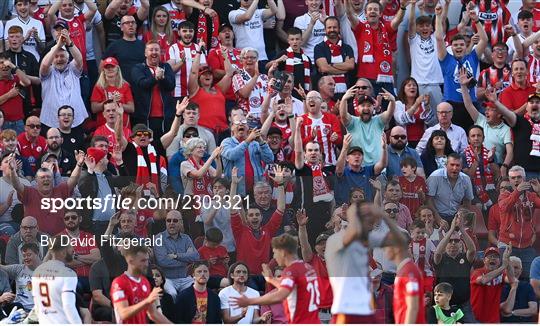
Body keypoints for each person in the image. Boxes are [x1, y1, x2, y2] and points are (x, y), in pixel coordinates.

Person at [325, 201, 407, 323]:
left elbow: (402, 240)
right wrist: (353, 214)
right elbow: (352, 235)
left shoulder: (365, 238)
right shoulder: (336, 239)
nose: (372, 220)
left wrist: (383, 215)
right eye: (367, 216)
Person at [231, 233, 321, 324]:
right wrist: (270, 279)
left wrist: (249, 301)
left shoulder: (291, 270)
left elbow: (281, 295)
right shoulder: (306, 267)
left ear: (283, 252)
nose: (274, 257)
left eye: (275, 252)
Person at [435, 3, 488, 131]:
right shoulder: (446, 59)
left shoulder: (473, 57)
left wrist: (476, 20)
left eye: (461, 45)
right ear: (451, 48)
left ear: (466, 46)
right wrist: (438, 16)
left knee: (473, 136)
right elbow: (438, 38)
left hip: (471, 104)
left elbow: (484, 39)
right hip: (451, 104)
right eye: (455, 45)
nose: (458, 47)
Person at [110, 245, 172, 324]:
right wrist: (147, 301)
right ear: (130, 261)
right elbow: (123, 313)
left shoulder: (145, 282)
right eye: (142, 261)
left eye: (147, 260)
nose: (146, 264)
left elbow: (153, 314)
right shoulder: (119, 282)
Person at [39, 29, 87, 130]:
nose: (59, 59)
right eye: (56, 57)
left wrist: (69, 42)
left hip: (75, 121)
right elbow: (44, 65)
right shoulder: (48, 72)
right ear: (52, 59)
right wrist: (58, 46)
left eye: (62, 56)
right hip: (51, 121)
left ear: (68, 58)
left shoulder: (73, 69)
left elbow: (79, 59)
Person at [497, 165, 540, 276]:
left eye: (519, 177)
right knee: (506, 277)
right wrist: (517, 192)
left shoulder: (532, 196)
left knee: (530, 277)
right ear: (510, 180)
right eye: (513, 178)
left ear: (524, 179)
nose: (516, 180)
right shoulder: (504, 195)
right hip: (507, 244)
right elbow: (503, 207)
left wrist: (539, 191)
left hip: (526, 245)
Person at [339, 85, 396, 166]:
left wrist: (392, 101)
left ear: (373, 108)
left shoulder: (378, 121)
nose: (366, 108)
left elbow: (389, 113)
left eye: (369, 105)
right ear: (358, 108)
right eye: (363, 105)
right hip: (358, 169)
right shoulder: (352, 122)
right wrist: (344, 99)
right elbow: (343, 116)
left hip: (378, 170)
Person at [489, 91, 540, 179]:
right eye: (531, 102)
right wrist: (496, 102)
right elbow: (507, 113)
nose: (534, 104)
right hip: (524, 173)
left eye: (538, 102)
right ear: (526, 107)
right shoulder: (520, 122)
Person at [31, 235, 81, 324]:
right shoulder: (68, 274)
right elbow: (68, 306)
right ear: (62, 252)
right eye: (70, 247)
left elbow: (37, 304)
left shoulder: (37, 271)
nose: (73, 250)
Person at [131, 40, 176, 137]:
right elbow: (142, 84)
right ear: (145, 53)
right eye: (151, 50)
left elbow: (171, 85)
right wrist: (155, 78)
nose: (154, 52)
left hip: (165, 117)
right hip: (144, 117)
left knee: (163, 147)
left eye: (157, 50)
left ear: (160, 53)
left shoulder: (166, 67)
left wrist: (163, 78)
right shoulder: (138, 68)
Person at [153, 210, 200, 297]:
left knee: (197, 290)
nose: (171, 223)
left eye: (175, 220)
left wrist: (175, 256)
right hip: (167, 279)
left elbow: (196, 256)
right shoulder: (159, 238)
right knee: (172, 294)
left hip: (184, 278)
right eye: (168, 220)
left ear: (181, 222)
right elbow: (163, 261)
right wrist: (186, 258)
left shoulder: (186, 238)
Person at [470, 245, 514, 323]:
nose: (492, 258)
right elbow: (483, 280)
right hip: (476, 318)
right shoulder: (477, 272)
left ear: (499, 261)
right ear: (484, 260)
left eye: (495, 256)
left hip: (494, 319)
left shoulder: (501, 274)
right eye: (489, 256)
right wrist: (503, 266)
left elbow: (512, 280)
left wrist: (507, 259)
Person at [228, 0, 278, 68]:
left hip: (261, 57)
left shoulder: (259, 12)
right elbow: (247, 17)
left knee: (263, 78)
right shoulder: (233, 13)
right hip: (244, 58)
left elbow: (274, 10)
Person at [426, 153, 473, 224]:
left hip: (456, 215)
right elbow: (428, 200)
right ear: (446, 165)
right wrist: (437, 218)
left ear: (461, 167)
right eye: (452, 165)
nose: (455, 168)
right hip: (436, 215)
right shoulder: (435, 176)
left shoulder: (466, 179)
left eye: (457, 165)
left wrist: (460, 215)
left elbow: (467, 202)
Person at [314, 16, 355, 95]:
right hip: (326, 94)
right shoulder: (319, 47)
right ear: (325, 30)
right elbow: (324, 68)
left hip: (346, 92)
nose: (332, 30)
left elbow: (350, 65)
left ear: (339, 29)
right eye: (329, 27)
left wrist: (331, 65)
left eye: (334, 27)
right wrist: (344, 68)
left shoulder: (347, 48)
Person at [90, 56, 134, 129]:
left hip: (123, 126)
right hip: (104, 127)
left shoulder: (125, 86)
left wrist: (118, 103)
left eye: (112, 67)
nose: (110, 69)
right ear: (103, 70)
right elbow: (94, 108)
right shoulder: (99, 86)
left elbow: (131, 108)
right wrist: (108, 102)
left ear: (117, 69)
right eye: (107, 67)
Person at [102, 14, 146, 86]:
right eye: (127, 23)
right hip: (121, 88)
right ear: (121, 27)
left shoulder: (144, 46)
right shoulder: (114, 46)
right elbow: (102, 66)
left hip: (141, 87)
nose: (131, 25)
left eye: (133, 22)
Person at [393, 78, 437, 148]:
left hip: (423, 142)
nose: (412, 87)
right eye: (409, 85)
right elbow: (402, 120)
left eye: (414, 85)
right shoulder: (398, 104)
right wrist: (416, 104)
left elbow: (431, 122)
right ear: (403, 89)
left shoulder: (422, 104)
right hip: (405, 142)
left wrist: (427, 106)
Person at [500, 256, 537, 322]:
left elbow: (533, 310)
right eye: (510, 268)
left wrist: (513, 313)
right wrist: (514, 287)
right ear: (505, 270)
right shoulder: (500, 286)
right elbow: (506, 309)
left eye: (516, 268)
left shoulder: (527, 286)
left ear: (521, 270)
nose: (513, 270)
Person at [0, 54, 31, 134]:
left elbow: (27, 82)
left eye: (7, 63)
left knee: (18, 145)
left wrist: (14, 66)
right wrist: (9, 95)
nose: (5, 66)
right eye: (1, 63)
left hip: (18, 122)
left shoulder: (17, 78)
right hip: (2, 122)